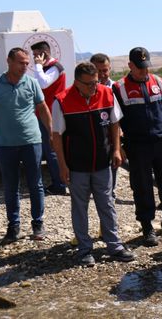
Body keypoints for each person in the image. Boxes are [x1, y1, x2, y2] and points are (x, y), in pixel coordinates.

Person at [52, 62, 135, 266]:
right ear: (77, 82)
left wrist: (116, 149)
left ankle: (114, 245)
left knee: (106, 204)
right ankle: (84, 249)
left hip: (103, 162)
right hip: (76, 166)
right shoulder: (61, 101)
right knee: (80, 207)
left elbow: (115, 123)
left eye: (96, 82)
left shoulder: (106, 94)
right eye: (89, 84)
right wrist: (62, 166)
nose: (94, 87)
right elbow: (56, 137)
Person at [0, 47, 52, 241]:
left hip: (31, 141)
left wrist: (51, 134)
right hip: (5, 144)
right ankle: (13, 226)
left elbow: (43, 108)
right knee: (10, 186)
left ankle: (38, 224)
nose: (25, 66)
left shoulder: (32, 83)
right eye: (21, 63)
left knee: (36, 184)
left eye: (27, 63)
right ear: (9, 61)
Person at [112, 47, 162, 247]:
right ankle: (147, 227)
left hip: (161, 141)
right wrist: (119, 146)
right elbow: (114, 122)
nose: (144, 71)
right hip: (137, 145)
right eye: (140, 68)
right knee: (142, 187)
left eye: (146, 67)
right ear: (130, 66)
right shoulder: (119, 88)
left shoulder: (159, 82)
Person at [30, 41, 67, 196]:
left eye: (36, 55)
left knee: (52, 148)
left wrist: (38, 65)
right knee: (49, 148)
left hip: (51, 114)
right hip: (45, 113)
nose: (34, 59)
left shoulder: (55, 68)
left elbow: (43, 84)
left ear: (43, 53)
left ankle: (59, 184)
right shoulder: (47, 68)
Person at [90, 53, 118, 196]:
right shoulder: (84, 89)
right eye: (98, 71)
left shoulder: (117, 88)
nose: (102, 74)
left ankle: (110, 193)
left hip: (114, 137)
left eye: (105, 70)